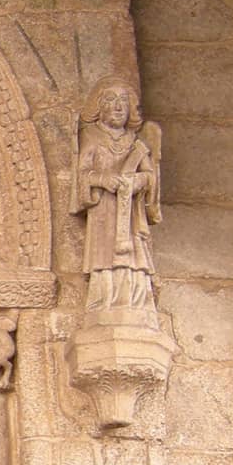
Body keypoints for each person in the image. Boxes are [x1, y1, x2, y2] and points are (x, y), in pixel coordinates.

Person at [71, 77, 161, 311]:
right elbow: (82, 174)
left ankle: (133, 298)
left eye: (124, 101)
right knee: (104, 254)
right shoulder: (91, 137)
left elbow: (150, 176)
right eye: (111, 100)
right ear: (99, 107)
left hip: (129, 210)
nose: (119, 107)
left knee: (133, 256)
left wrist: (136, 182)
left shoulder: (136, 142)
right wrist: (103, 179)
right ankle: (106, 299)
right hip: (104, 209)